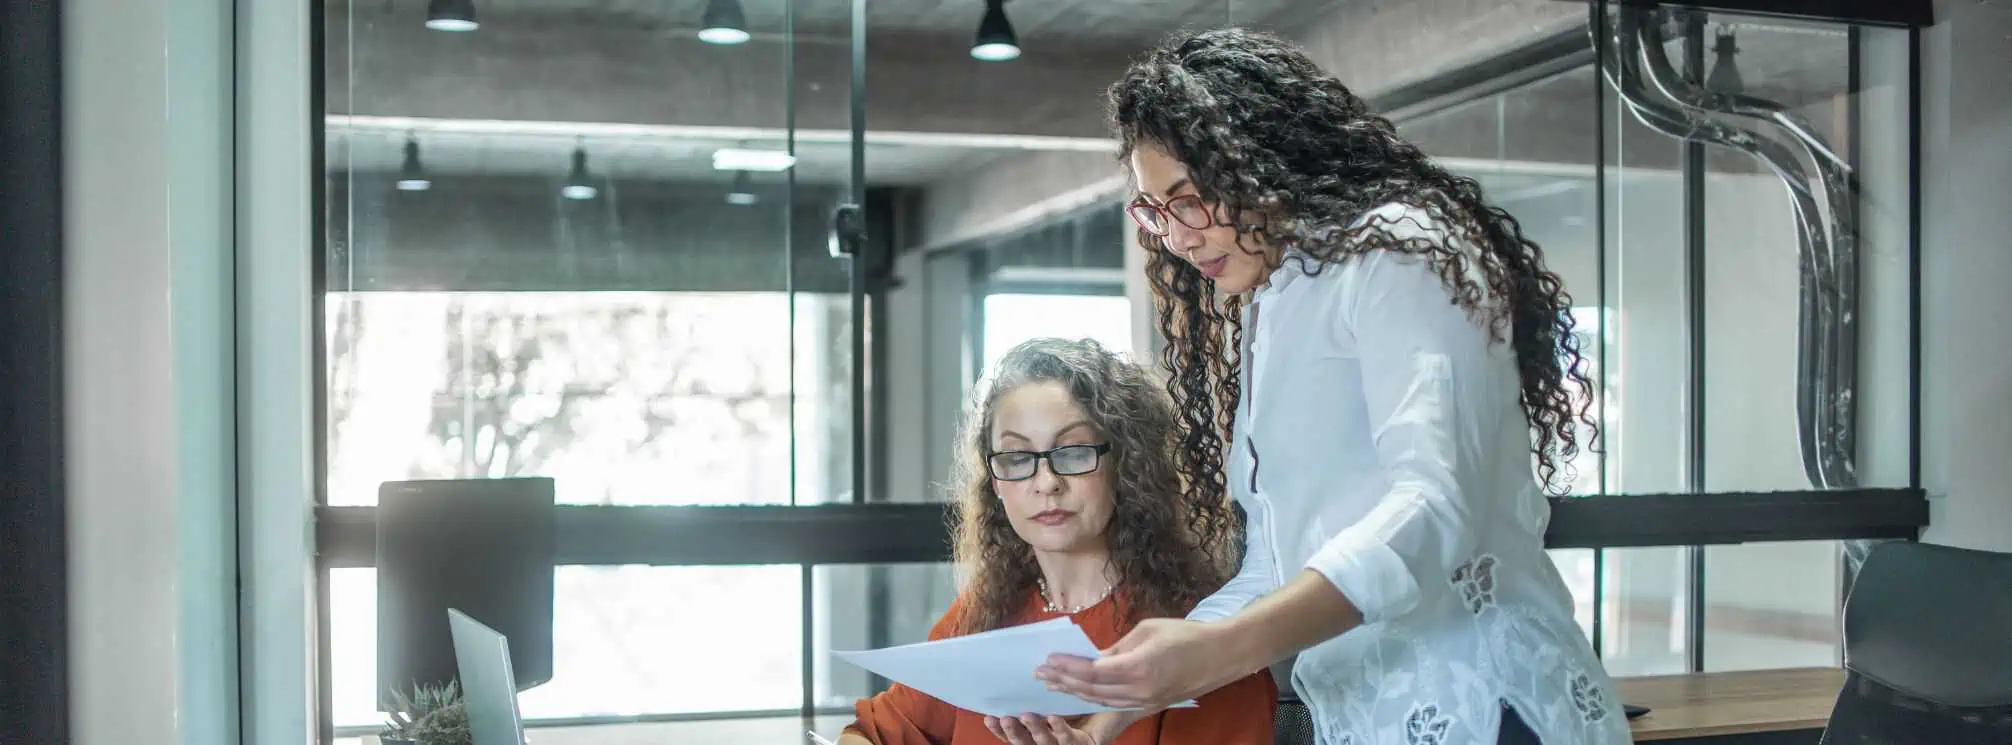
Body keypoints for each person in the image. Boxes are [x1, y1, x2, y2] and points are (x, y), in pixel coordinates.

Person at [1034, 28, 1632, 745]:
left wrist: (1223, 650)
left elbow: (1434, 508)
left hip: (1489, 707)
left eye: (1188, 198)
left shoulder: (1400, 248)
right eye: (1154, 211)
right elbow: (1276, 565)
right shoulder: (1276, 296)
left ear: (1258, 161)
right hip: (1362, 720)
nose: (1177, 236)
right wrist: (1117, 705)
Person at [839, 338, 1276, 745]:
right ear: (994, 480)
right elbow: (868, 733)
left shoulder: (1202, 637)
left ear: (1126, 464)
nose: (1045, 483)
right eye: (1016, 458)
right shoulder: (981, 614)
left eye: (1072, 453)